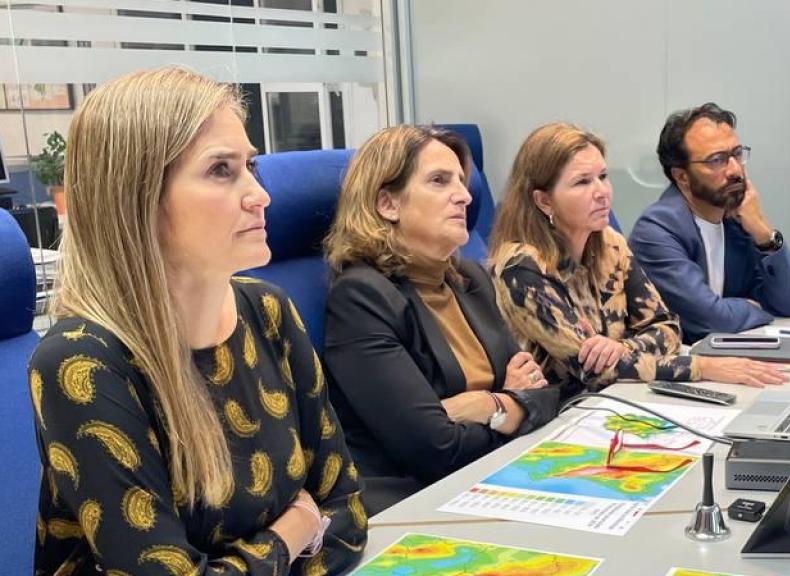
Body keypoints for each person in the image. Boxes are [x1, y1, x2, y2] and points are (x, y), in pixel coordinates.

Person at [28, 67, 366, 575]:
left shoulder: (268, 312)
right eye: (221, 170)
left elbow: (348, 513)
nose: (260, 194)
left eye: (250, 165)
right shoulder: (82, 362)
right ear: (137, 198)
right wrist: (293, 531)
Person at [322, 125, 559, 515]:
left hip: (490, 476)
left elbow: (541, 392)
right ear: (387, 204)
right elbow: (432, 448)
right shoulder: (361, 298)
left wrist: (482, 405)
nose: (464, 195)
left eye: (462, 182)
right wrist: (505, 403)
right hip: (416, 502)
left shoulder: (470, 279)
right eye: (439, 181)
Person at [488, 122, 787, 399]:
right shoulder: (522, 267)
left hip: (619, 402)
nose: (602, 192)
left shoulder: (611, 245)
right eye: (582, 182)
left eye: (603, 177)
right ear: (544, 200)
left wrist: (622, 347)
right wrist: (702, 368)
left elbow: (668, 327)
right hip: (558, 418)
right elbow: (593, 371)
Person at [629, 103, 790, 344]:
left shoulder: (736, 221)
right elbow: (709, 321)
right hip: (677, 369)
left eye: (737, 154)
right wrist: (754, 308)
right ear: (682, 177)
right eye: (717, 160)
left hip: (729, 360)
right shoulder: (657, 230)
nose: (735, 170)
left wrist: (764, 235)